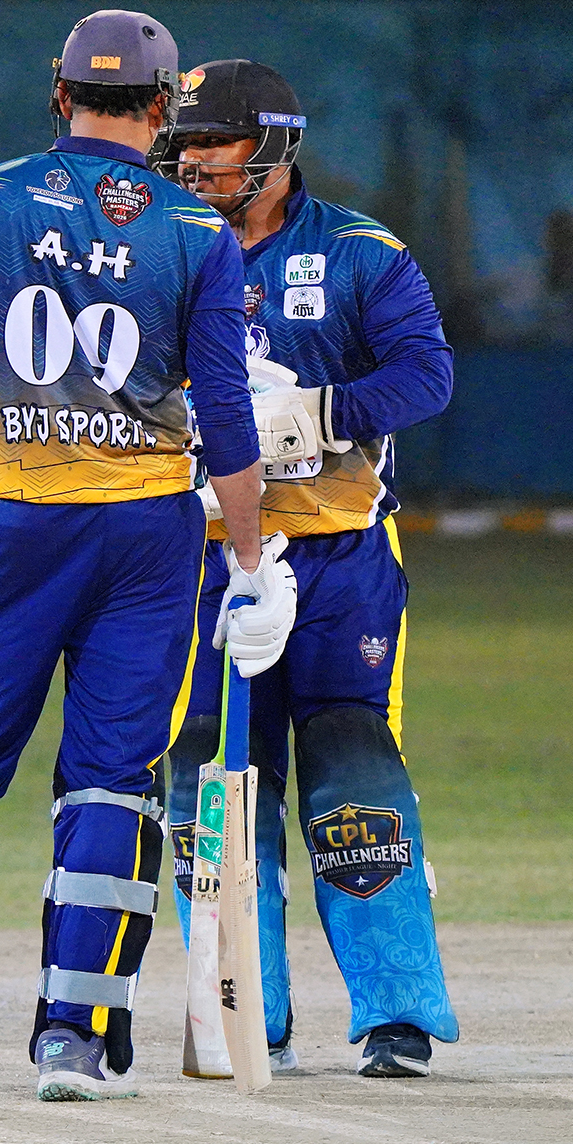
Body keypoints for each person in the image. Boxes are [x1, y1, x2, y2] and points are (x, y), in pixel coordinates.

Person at [0, 15, 298, 1103]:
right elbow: (224, 415)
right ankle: (78, 1042)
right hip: (151, 540)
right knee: (114, 783)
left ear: (59, 94)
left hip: (14, 528)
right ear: (162, 110)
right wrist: (252, 562)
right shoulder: (198, 229)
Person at [151, 59, 459, 1078]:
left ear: (277, 147)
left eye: (217, 142)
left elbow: (426, 375)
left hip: (338, 556)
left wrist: (318, 413)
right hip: (196, 558)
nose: (195, 160)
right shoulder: (150, 249)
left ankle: (397, 1015)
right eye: (184, 142)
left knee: (352, 771)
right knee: (208, 779)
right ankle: (245, 1015)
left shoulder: (361, 253)